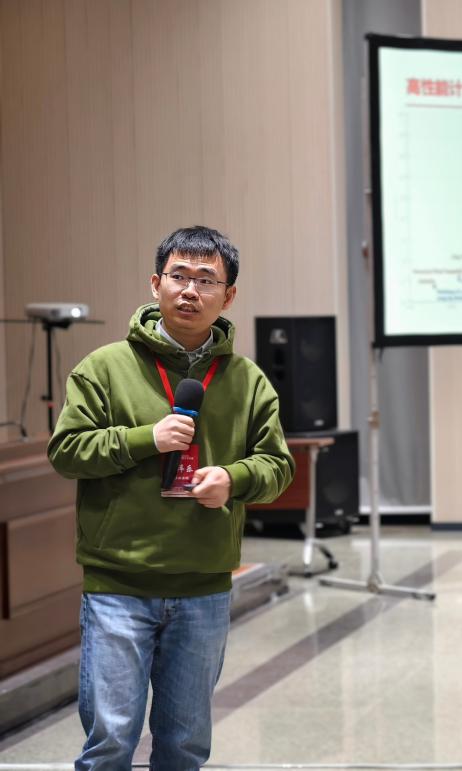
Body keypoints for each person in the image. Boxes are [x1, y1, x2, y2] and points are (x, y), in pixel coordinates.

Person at [48, 226, 295, 770]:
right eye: (178, 275)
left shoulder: (248, 380)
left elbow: (279, 466)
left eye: (206, 280)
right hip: (118, 584)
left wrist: (232, 478)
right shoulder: (104, 367)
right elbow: (67, 452)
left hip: (203, 586)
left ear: (228, 296)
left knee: (184, 746)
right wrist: (146, 439)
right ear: (155, 283)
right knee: (110, 742)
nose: (189, 290)